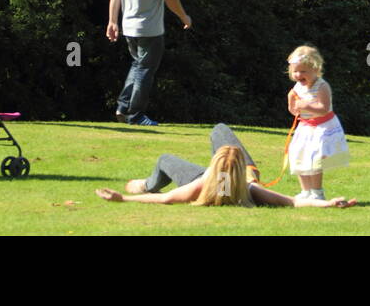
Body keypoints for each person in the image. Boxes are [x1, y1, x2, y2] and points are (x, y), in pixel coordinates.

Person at [95, 123, 356, 208]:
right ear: (242, 168)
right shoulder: (250, 189)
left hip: (207, 177)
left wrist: (125, 198)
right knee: (220, 129)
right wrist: (326, 203)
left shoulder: (198, 186)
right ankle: (235, 162)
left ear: (213, 165)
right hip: (236, 176)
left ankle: (145, 182)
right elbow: (293, 201)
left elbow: (163, 199)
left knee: (165, 160)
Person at [106, 0, 191, 126]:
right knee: (145, 70)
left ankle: (123, 106)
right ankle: (135, 115)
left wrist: (112, 21)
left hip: (129, 27)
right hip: (149, 29)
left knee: (138, 65)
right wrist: (184, 16)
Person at [286, 45, 349, 201]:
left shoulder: (322, 86)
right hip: (306, 127)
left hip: (321, 127)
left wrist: (306, 106)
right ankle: (305, 191)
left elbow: (324, 108)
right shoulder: (298, 86)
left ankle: (317, 192)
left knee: (314, 159)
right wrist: (293, 106)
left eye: (303, 71)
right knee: (298, 154)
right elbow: (294, 104)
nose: (298, 75)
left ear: (315, 69)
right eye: (295, 71)